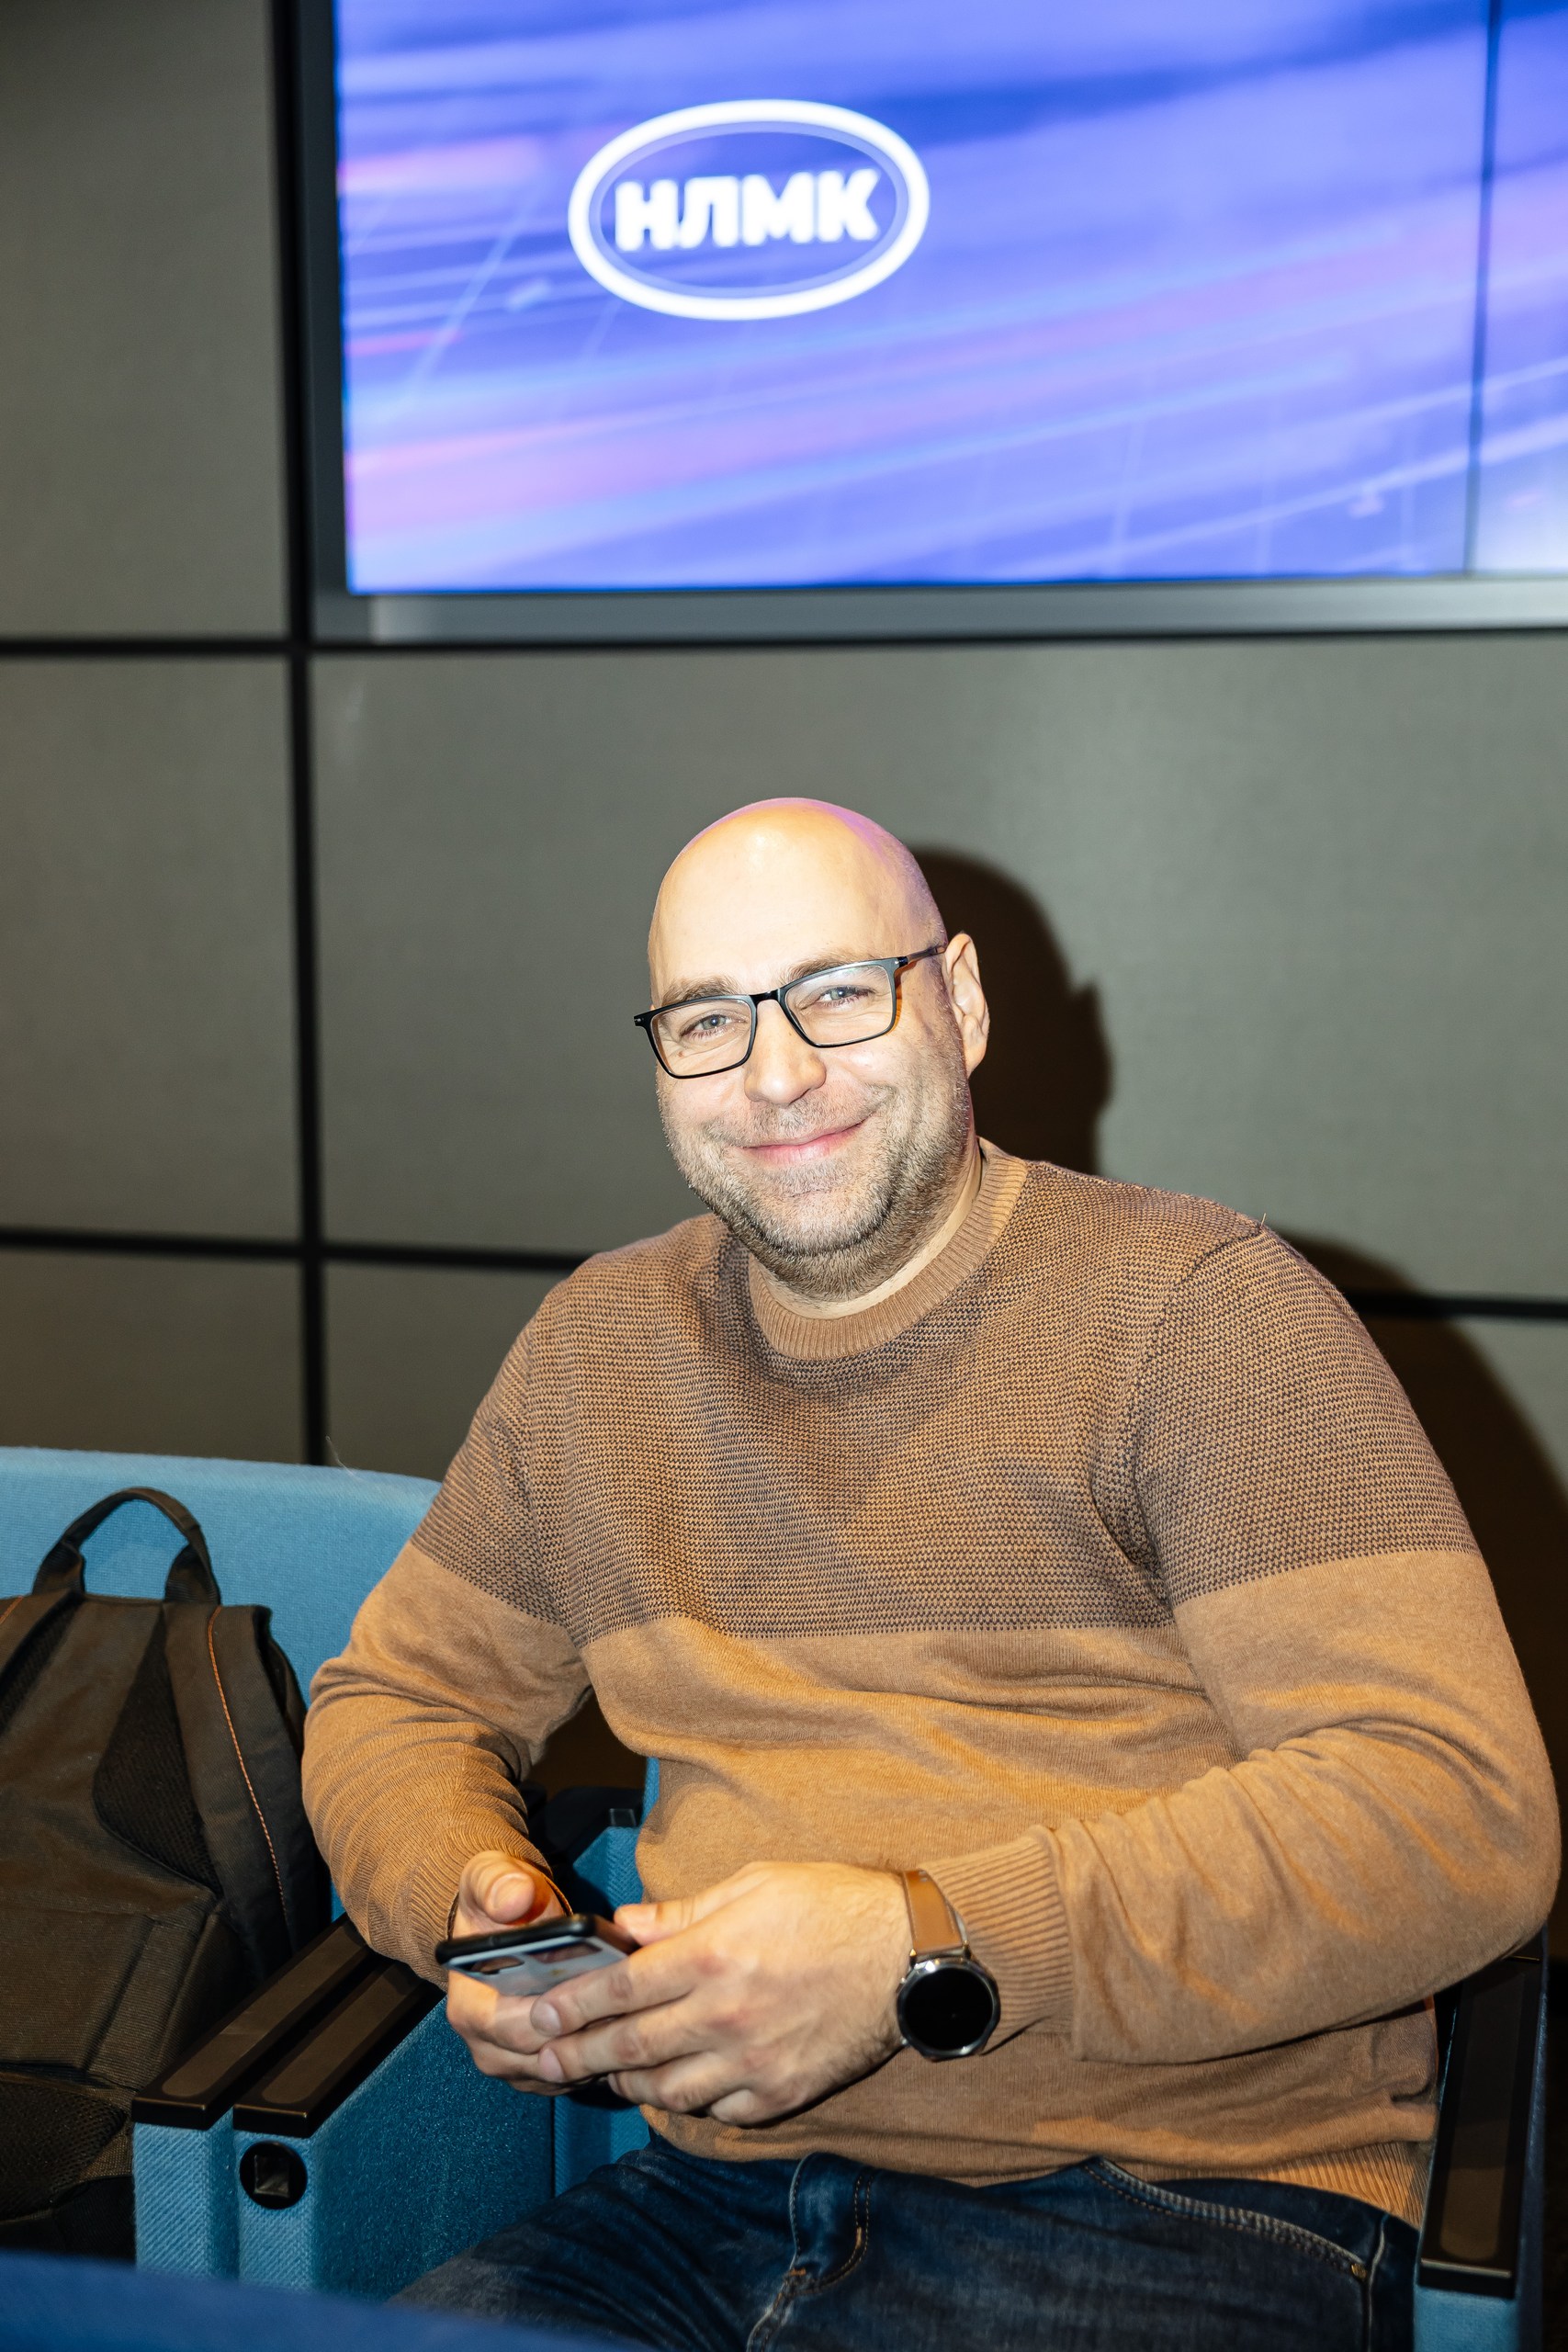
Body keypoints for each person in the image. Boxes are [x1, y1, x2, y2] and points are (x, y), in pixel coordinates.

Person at [303, 798, 1558, 2352]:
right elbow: (395, 1701)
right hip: (708, 2202)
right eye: (706, 1019)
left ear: (958, 1001)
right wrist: (475, 1907)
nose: (775, 1074)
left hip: (1176, 2195)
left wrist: (928, 1946)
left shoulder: (1207, 1316)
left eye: (837, 993)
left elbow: (1454, 1814)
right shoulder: (600, 1352)